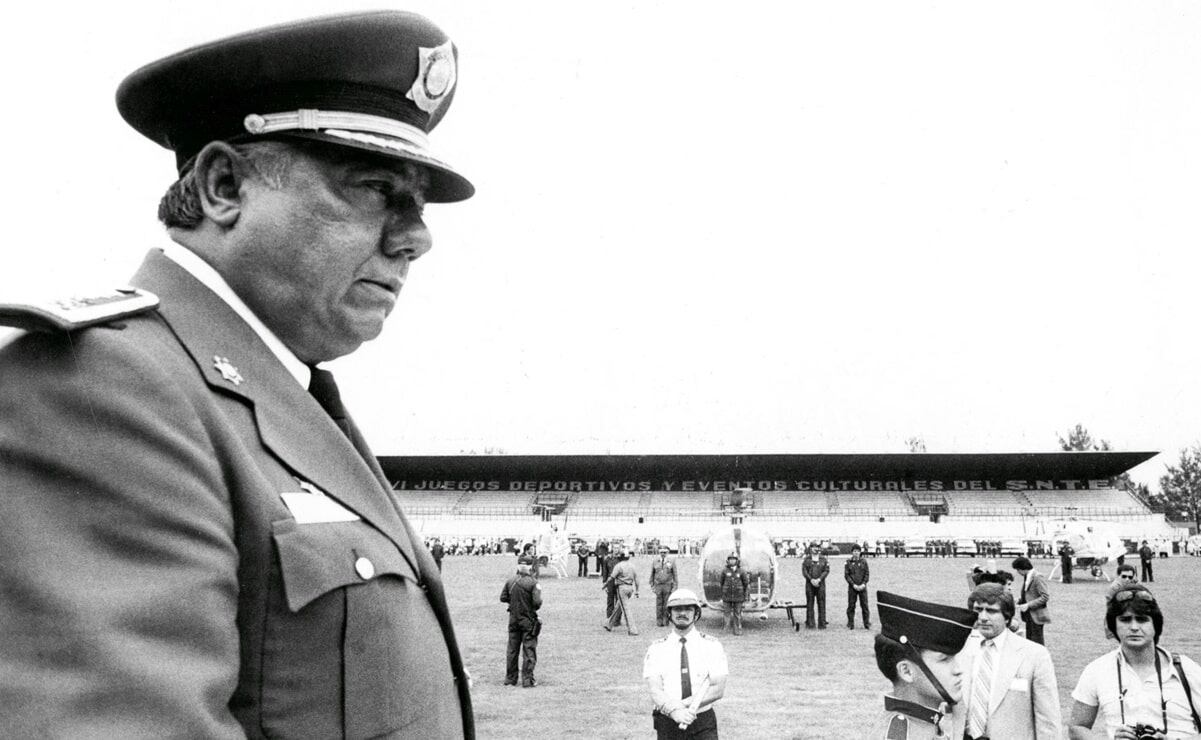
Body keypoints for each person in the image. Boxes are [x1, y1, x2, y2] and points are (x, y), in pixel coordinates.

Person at [0, 11, 474, 739]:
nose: (416, 237)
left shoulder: (265, 388)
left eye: (416, 204)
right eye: (376, 187)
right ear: (225, 186)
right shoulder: (101, 388)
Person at [1068, 584, 1201, 739]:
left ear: (1155, 625)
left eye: (1142, 620)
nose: (1134, 627)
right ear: (1113, 626)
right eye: (1125, 620)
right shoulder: (1098, 670)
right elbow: (1077, 727)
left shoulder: (1185, 669)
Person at [871, 590, 978, 739]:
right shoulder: (901, 734)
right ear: (906, 671)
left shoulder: (926, 722)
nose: (958, 670)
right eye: (944, 660)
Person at [960, 583, 1062, 739]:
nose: (983, 617)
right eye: (978, 610)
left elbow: (1048, 720)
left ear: (1007, 616)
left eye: (991, 611)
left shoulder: (1035, 655)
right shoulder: (959, 649)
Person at [643, 589, 729, 739]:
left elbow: (718, 689)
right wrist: (674, 711)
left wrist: (683, 705)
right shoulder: (656, 648)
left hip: (702, 721)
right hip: (668, 720)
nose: (682, 613)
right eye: (677, 609)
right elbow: (655, 689)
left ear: (696, 614)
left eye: (688, 609)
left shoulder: (712, 646)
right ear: (669, 613)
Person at [499, 556, 542, 688]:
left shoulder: (510, 581)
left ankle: (510, 679)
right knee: (529, 650)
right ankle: (528, 680)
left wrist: (514, 602)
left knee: (512, 650)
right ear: (530, 567)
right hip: (528, 619)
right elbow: (537, 603)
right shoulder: (533, 583)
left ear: (518, 566)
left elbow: (503, 597)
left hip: (513, 619)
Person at [1013, 557, 1051, 646]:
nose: (1018, 572)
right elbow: (1030, 594)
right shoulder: (1027, 576)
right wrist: (1019, 600)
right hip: (1029, 614)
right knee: (1030, 640)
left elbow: (1045, 597)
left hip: (1036, 614)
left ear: (1022, 568)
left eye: (1018, 570)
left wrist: (1028, 605)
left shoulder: (1038, 577)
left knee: (1037, 641)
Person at [604, 550, 640, 635]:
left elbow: (612, 577)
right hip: (630, 588)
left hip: (622, 588)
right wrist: (637, 591)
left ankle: (633, 630)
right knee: (618, 607)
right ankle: (609, 624)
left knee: (626, 609)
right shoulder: (632, 566)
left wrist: (605, 585)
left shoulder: (618, 566)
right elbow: (637, 580)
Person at [1103, 565, 1141, 639]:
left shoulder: (1129, 584)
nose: (1127, 579)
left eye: (1130, 577)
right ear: (1118, 575)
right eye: (1124, 576)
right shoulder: (1115, 587)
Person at [718, 554, 750, 636]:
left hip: (738, 596)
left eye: (734, 559)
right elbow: (721, 582)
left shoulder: (741, 571)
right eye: (730, 559)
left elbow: (746, 583)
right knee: (726, 613)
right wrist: (724, 591)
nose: (732, 561)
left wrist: (744, 594)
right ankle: (725, 630)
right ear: (728, 561)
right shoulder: (724, 571)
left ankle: (737, 630)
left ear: (737, 561)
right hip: (727, 596)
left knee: (737, 614)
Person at [802, 543, 830, 629]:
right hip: (809, 584)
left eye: (817, 547)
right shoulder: (806, 559)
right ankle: (810, 624)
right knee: (810, 603)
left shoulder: (823, 559)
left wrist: (819, 579)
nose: (815, 549)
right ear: (810, 548)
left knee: (821, 603)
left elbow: (826, 570)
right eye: (814, 547)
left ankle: (822, 624)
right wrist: (811, 579)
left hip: (820, 584)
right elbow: (804, 571)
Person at [651, 547, 680, 627]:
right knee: (659, 604)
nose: (663, 554)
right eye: (661, 552)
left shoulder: (672, 561)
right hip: (658, 585)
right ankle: (659, 621)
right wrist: (652, 586)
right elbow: (652, 574)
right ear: (659, 552)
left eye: (664, 552)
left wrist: (675, 587)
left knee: (667, 604)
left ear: (667, 553)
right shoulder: (655, 561)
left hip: (668, 585)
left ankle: (665, 620)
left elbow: (675, 574)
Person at [845, 543, 871, 629]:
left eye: (858, 551)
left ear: (860, 552)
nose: (856, 553)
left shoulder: (864, 562)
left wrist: (864, 584)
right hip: (853, 587)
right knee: (851, 606)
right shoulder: (848, 562)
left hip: (862, 587)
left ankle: (866, 623)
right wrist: (853, 584)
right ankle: (850, 623)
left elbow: (867, 574)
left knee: (865, 606)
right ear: (852, 552)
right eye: (854, 551)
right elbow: (847, 575)